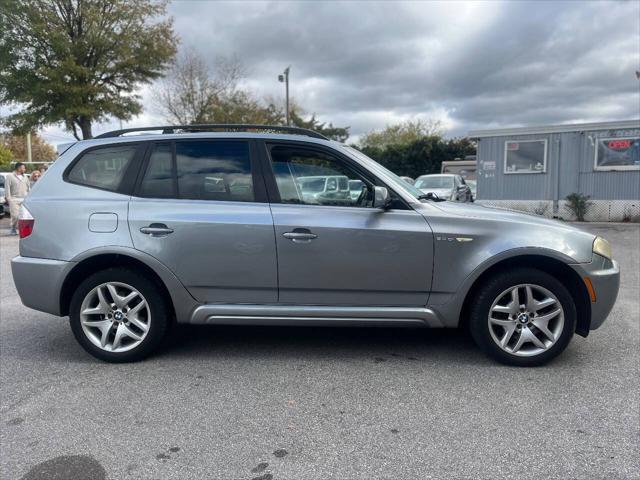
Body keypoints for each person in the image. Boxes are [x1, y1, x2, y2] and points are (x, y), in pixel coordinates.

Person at [6, 162, 30, 236]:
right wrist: (9, 199)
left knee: (25, 217)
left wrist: (29, 197)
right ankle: (13, 228)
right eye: (23, 168)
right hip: (14, 199)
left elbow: (28, 188)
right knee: (15, 216)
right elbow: (7, 188)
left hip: (24, 199)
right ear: (19, 168)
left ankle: (24, 231)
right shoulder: (10, 176)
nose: (24, 169)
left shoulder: (25, 177)